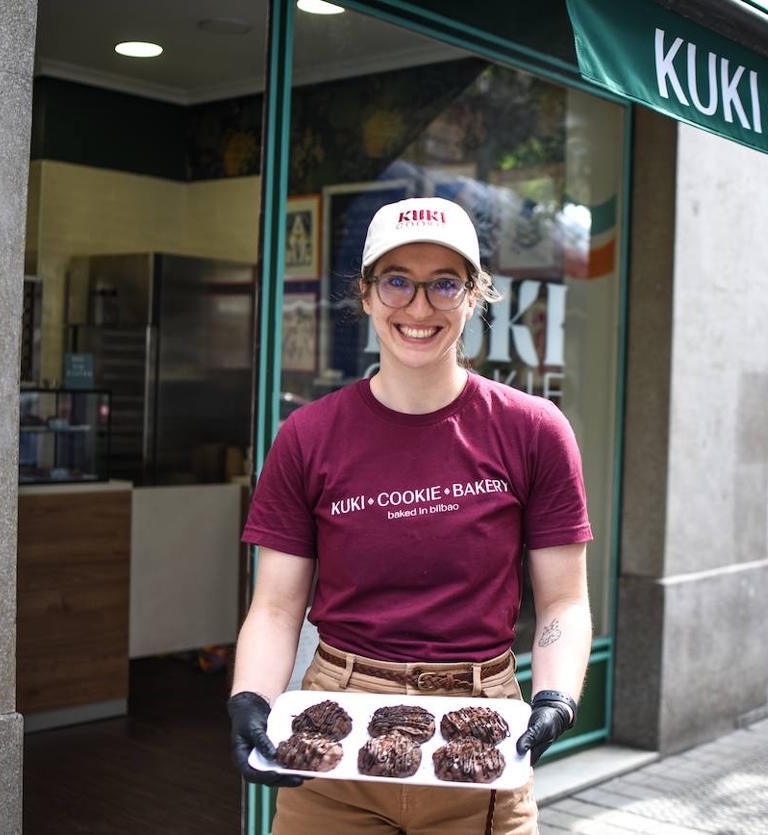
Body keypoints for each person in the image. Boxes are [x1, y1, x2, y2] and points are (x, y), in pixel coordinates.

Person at [228, 196, 592, 834]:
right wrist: (251, 700)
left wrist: (557, 697)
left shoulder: (534, 431)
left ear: (474, 297)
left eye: (444, 284)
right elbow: (278, 606)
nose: (419, 308)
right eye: (396, 281)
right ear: (366, 295)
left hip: (481, 737)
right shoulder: (309, 436)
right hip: (333, 733)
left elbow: (562, 600)